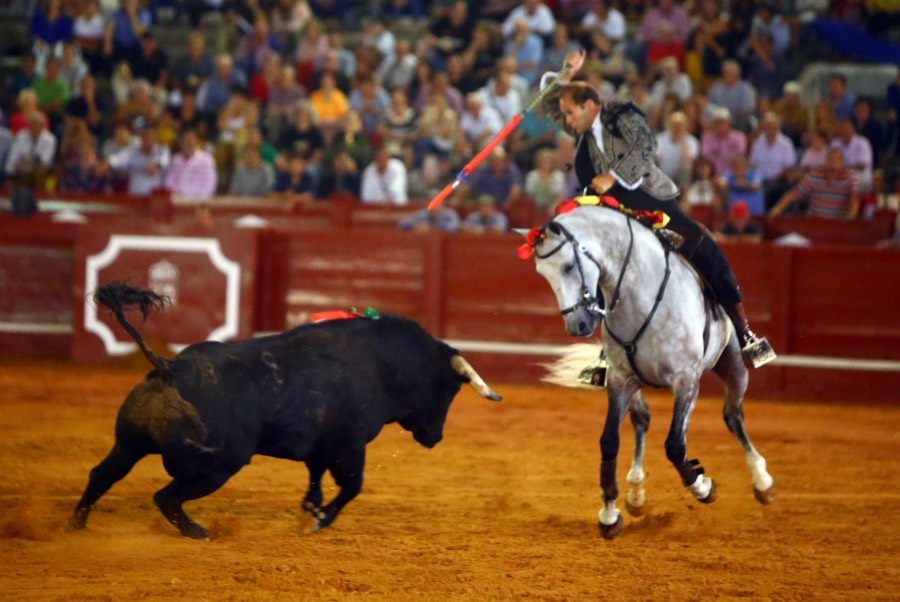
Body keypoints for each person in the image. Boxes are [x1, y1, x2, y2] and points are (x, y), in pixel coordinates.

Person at [540, 49, 774, 374]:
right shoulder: (581, 132)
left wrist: (614, 176)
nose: (565, 120)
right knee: (590, 263)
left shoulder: (618, 113)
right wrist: (564, 76)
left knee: (701, 246)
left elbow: (646, 145)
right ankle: (607, 354)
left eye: (570, 113)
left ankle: (745, 332)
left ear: (589, 105)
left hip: (651, 205)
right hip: (610, 213)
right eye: (564, 115)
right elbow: (546, 105)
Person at [768, 148, 859, 219]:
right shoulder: (813, 177)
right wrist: (778, 208)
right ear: (826, 160)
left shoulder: (850, 179)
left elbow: (854, 200)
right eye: (830, 159)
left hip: (837, 223)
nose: (833, 163)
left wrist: (851, 216)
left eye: (837, 160)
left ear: (842, 162)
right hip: (814, 221)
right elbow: (793, 194)